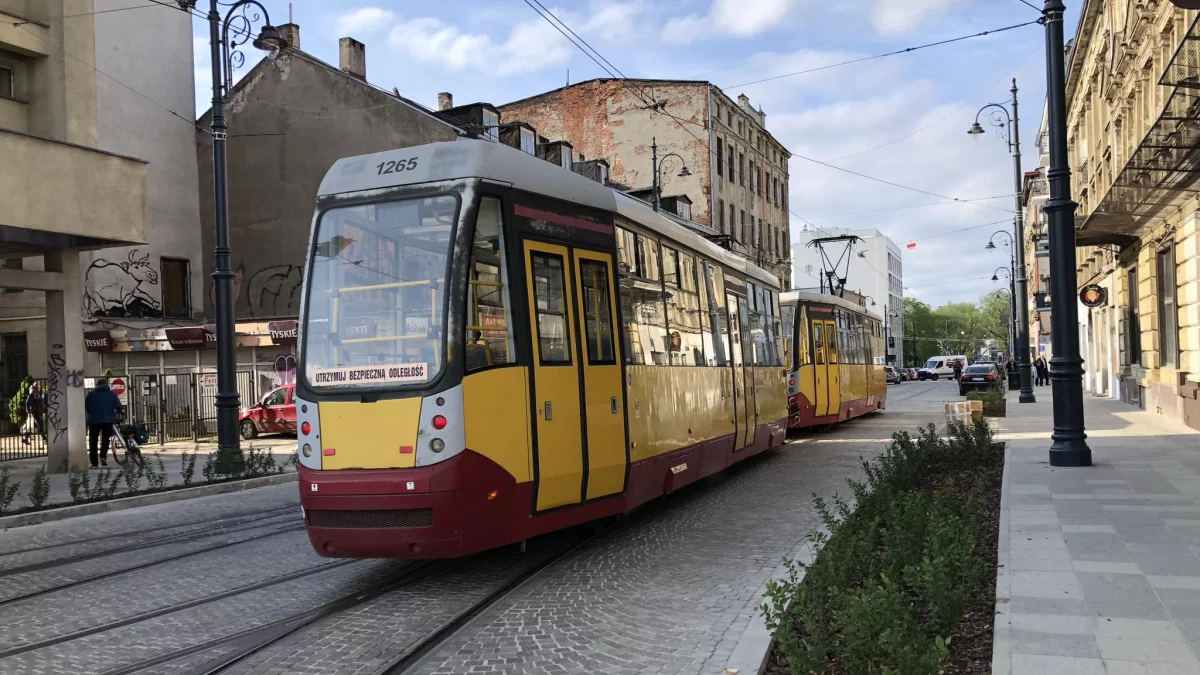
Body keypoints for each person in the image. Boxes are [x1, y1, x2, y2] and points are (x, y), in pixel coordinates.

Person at [85, 378, 123, 468]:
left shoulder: (91, 394)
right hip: (108, 420)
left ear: (97, 385)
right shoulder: (112, 394)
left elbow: (87, 407)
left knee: (93, 442)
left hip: (94, 421)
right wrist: (118, 411)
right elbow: (118, 406)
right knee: (105, 440)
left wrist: (92, 413)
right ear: (106, 385)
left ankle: (94, 462)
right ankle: (103, 457)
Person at [21, 381, 44, 446]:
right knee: (40, 424)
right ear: (36, 386)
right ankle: (44, 438)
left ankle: (25, 438)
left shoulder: (38, 392)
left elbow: (39, 402)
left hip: (36, 410)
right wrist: (28, 411)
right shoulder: (33, 392)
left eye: (39, 385)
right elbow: (27, 402)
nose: (40, 386)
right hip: (33, 411)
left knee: (33, 425)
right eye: (38, 385)